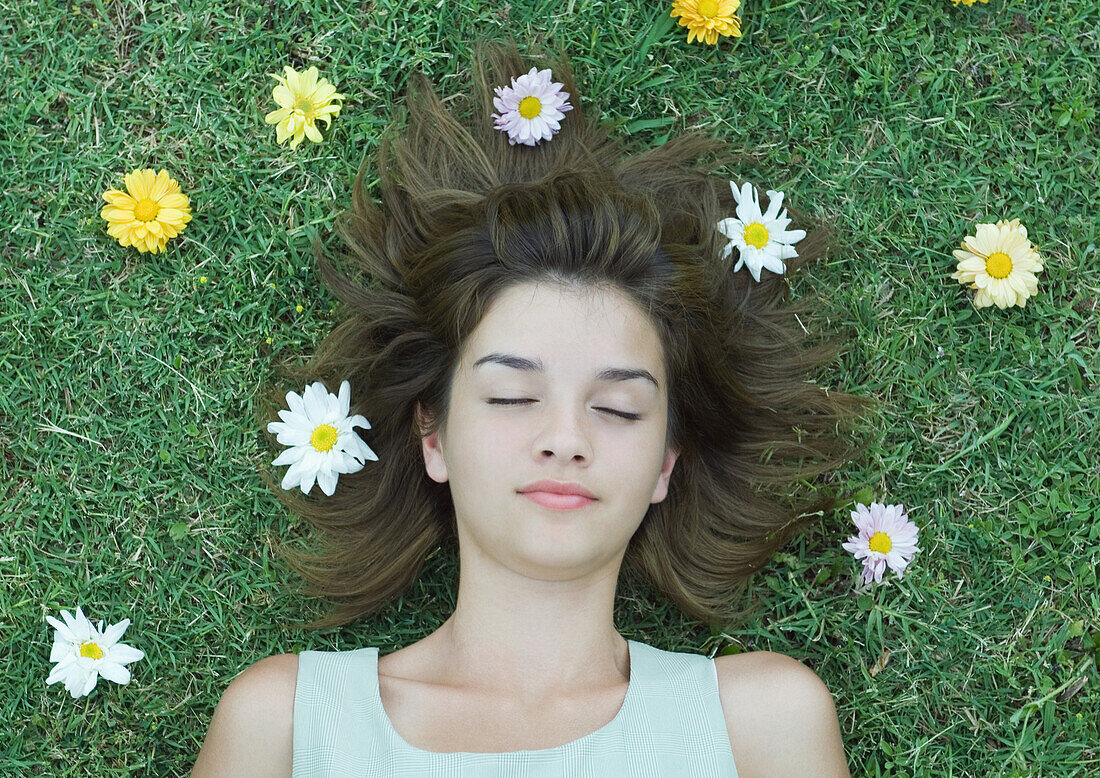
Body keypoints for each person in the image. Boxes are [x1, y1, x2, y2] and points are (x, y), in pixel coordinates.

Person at [191, 36, 874, 777]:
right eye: (514, 395)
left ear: (666, 463)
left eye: (617, 408)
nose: (565, 438)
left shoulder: (760, 724)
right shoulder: (287, 724)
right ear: (434, 434)